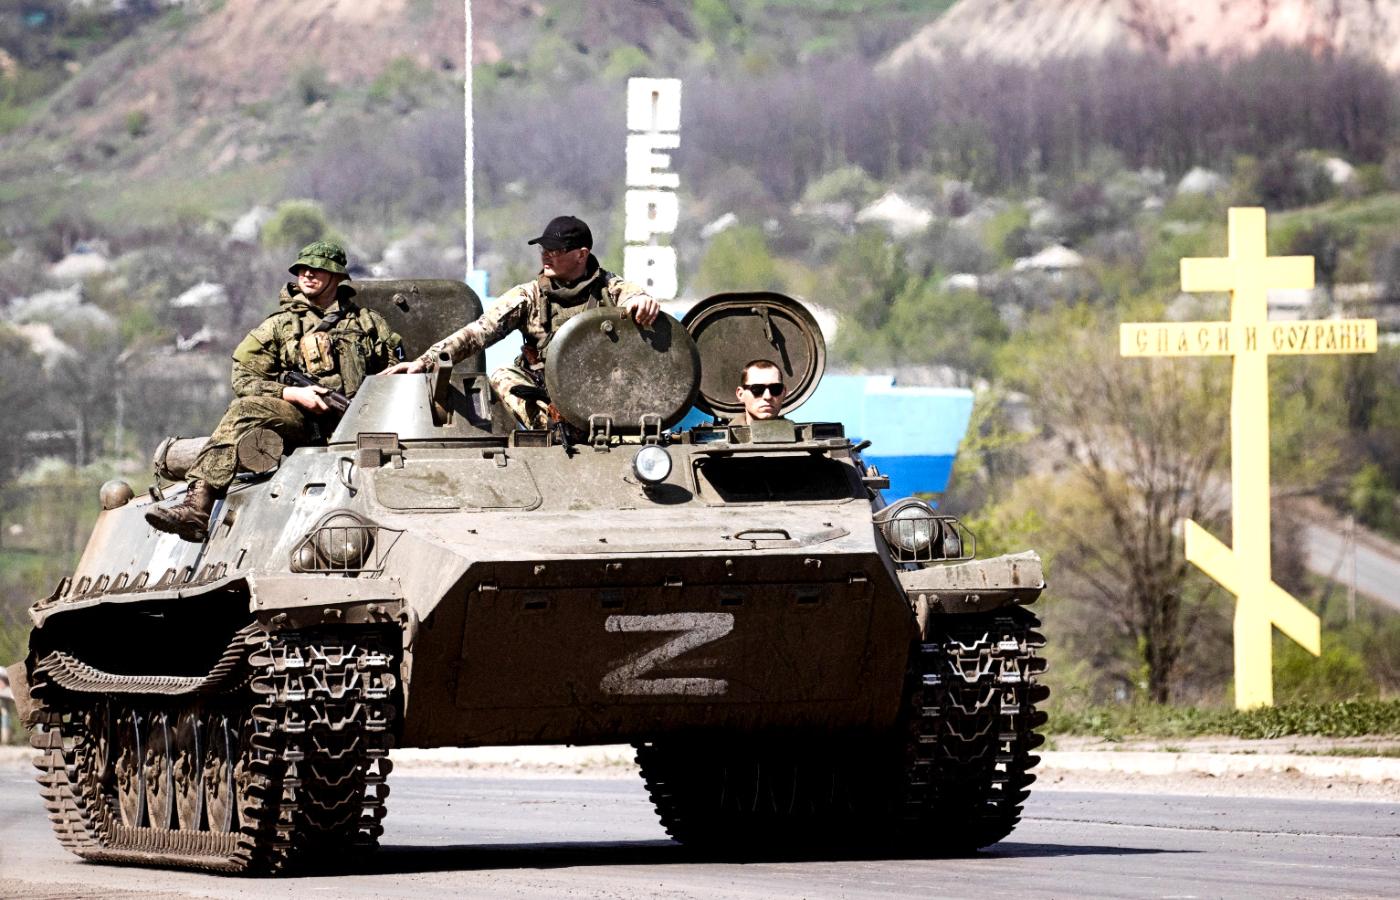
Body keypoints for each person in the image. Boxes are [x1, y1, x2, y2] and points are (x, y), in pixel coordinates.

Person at [145, 240, 403, 542]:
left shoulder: (367, 323)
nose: (307, 275)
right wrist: (292, 394)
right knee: (243, 410)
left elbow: (396, 368)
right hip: (304, 422)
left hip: (361, 420)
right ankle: (197, 507)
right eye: (302, 269)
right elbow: (243, 378)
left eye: (317, 269)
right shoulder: (279, 326)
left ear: (336, 276)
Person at [387, 215, 659, 428]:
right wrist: (425, 362)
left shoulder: (611, 290)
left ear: (581, 254)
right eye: (544, 249)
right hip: (544, 393)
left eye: (556, 250)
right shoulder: (528, 297)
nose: (545, 255)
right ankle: (551, 430)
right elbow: (478, 333)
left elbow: (636, 298)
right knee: (502, 376)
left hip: (602, 393)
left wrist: (642, 302)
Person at [733, 358, 787, 424]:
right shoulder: (724, 431)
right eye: (757, 389)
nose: (768, 396)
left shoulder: (796, 430)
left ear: (784, 393)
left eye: (775, 389)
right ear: (741, 394)